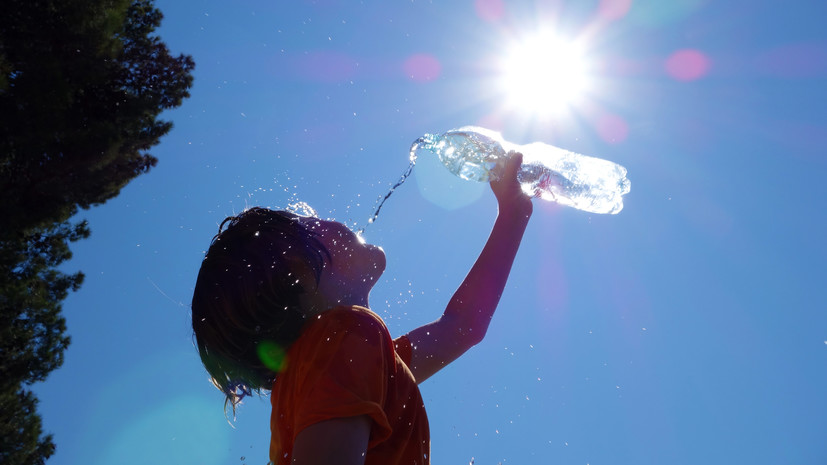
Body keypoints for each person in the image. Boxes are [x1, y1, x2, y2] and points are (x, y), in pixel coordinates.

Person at [191, 152, 533, 465]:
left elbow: (462, 326)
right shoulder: (343, 337)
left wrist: (514, 215)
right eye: (308, 221)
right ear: (298, 269)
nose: (326, 219)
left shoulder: (345, 359)